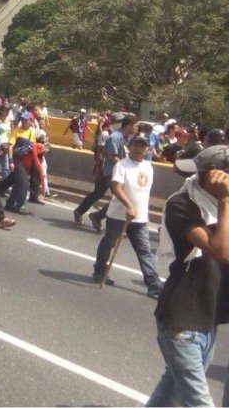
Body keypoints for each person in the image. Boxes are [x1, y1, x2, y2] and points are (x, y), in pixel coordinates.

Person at [146, 146, 229, 407]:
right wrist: (225, 201)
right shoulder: (182, 204)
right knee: (199, 403)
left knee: (168, 396)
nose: (198, 178)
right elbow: (219, 250)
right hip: (182, 323)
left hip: (207, 320)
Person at [90, 134, 163, 296]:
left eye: (143, 146)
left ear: (148, 149)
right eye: (136, 144)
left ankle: (152, 282)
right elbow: (116, 187)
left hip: (140, 217)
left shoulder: (148, 167)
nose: (139, 148)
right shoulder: (122, 165)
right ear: (129, 147)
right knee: (109, 242)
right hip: (118, 215)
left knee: (144, 249)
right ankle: (100, 270)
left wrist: (137, 209)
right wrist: (129, 206)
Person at [78, 112, 137, 231]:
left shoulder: (127, 139)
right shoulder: (113, 136)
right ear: (129, 125)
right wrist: (100, 170)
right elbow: (110, 156)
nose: (136, 128)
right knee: (120, 199)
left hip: (118, 173)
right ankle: (97, 216)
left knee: (99, 194)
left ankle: (85, 212)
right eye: (135, 125)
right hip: (112, 173)